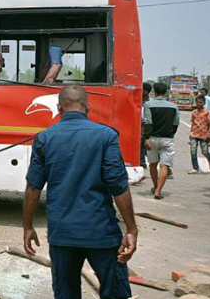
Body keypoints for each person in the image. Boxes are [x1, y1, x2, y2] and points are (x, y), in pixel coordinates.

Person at [24, 85, 137, 299]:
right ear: (88, 108)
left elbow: (33, 188)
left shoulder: (44, 138)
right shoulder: (106, 136)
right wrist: (131, 229)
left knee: (66, 294)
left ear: (59, 108)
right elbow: (119, 186)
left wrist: (28, 226)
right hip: (102, 233)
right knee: (116, 293)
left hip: (62, 234)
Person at [143, 82, 180, 200]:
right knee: (165, 165)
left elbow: (148, 122)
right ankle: (158, 191)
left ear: (154, 91)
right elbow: (176, 123)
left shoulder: (149, 104)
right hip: (167, 138)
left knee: (153, 164)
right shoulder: (174, 106)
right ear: (166, 92)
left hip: (153, 138)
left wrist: (146, 138)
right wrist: (170, 133)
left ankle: (154, 186)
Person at [189, 95, 210, 174]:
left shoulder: (207, 112)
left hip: (203, 135)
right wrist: (190, 133)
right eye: (198, 102)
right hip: (194, 134)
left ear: (204, 103)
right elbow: (193, 123)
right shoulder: (194, 112)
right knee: (193, 151)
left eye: (201, 102)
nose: (199, 104)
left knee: (204, 151)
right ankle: (195, 168)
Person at [141, 82, 152, 169]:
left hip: (145, 125)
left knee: (145, 145)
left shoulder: (148, 103)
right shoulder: (137, 100)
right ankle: (142, 162)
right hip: (139, 125)